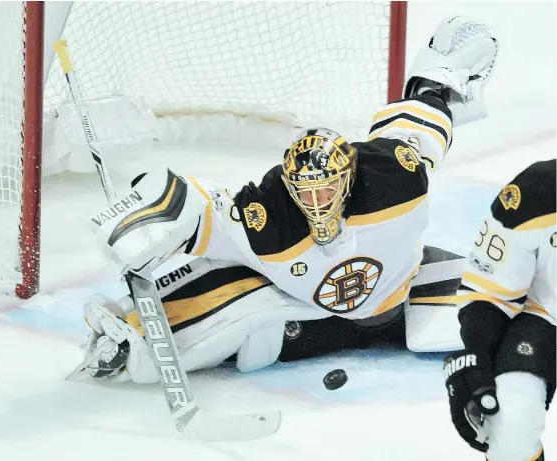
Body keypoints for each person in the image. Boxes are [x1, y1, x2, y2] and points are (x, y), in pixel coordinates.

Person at [73, 17, 499, 383]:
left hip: (403, 296)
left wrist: (435, 80)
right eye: (304, 191)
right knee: (235, 305)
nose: (316, 201)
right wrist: (143, 219)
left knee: (506, 296)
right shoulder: (269, 216)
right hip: (304, 319)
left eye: (326, 188)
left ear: (350, 178)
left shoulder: (395, 178)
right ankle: (125, 341)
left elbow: (419, 125)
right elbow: (199, 204)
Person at [443, 159, 556, 461]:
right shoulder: (536, 192)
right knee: (508, 423)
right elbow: (488, 290)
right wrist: (477, 355)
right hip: (549, 317)